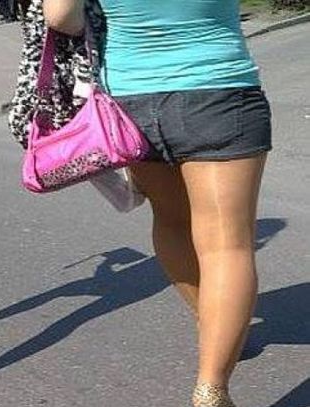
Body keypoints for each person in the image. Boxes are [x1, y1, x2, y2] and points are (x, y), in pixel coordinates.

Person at [42, 1, 272, 406]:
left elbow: (61, 16)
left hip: (130, 99)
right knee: (227, 245)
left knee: (171, 221)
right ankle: (211, 387)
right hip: (218, 88)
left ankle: (212, 325)